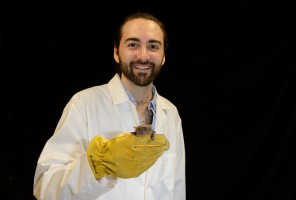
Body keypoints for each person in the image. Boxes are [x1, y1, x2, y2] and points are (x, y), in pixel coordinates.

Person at [33, 11, 186, 200]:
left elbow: (177, 190)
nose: (143, 56)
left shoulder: (171, 113)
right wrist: (99, 166)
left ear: (163, 56)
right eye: (133, 44)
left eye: (153, 46)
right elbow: (45, 189)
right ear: (116, 52)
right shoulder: (84, 104)